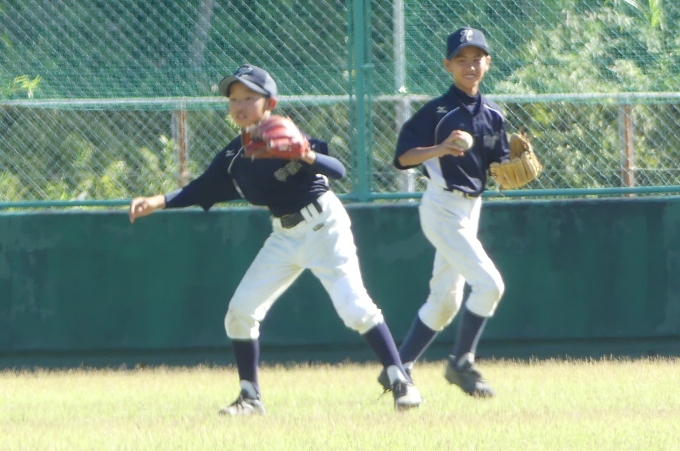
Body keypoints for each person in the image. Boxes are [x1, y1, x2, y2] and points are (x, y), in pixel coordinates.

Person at [128, 64, 422, 415]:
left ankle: (400, 380)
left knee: (354, 308)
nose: (239, 105)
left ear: (270, 103)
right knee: (240, 312)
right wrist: (158, 201)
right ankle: (250, 397)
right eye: (234, 99)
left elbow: (338, 170)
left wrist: (303, 153)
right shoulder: (234, 157)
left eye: (249, 97)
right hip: (284, 236)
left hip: (324, 226)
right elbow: (202, 187)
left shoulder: (288, 134)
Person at [378, 27, 508, 398]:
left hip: (472, 208)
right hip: (442, 206)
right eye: (461, 59)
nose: (470, 66)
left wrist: (512, 166)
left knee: (445, 301)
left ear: (488, 63)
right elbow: (403, 158)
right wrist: (440, 148)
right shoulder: (436, 112)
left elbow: (499, 163)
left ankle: (399, 368)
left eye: (477, 58)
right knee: (490, 285)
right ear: (447, 65)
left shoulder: (494, 115)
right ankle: (461, 362)